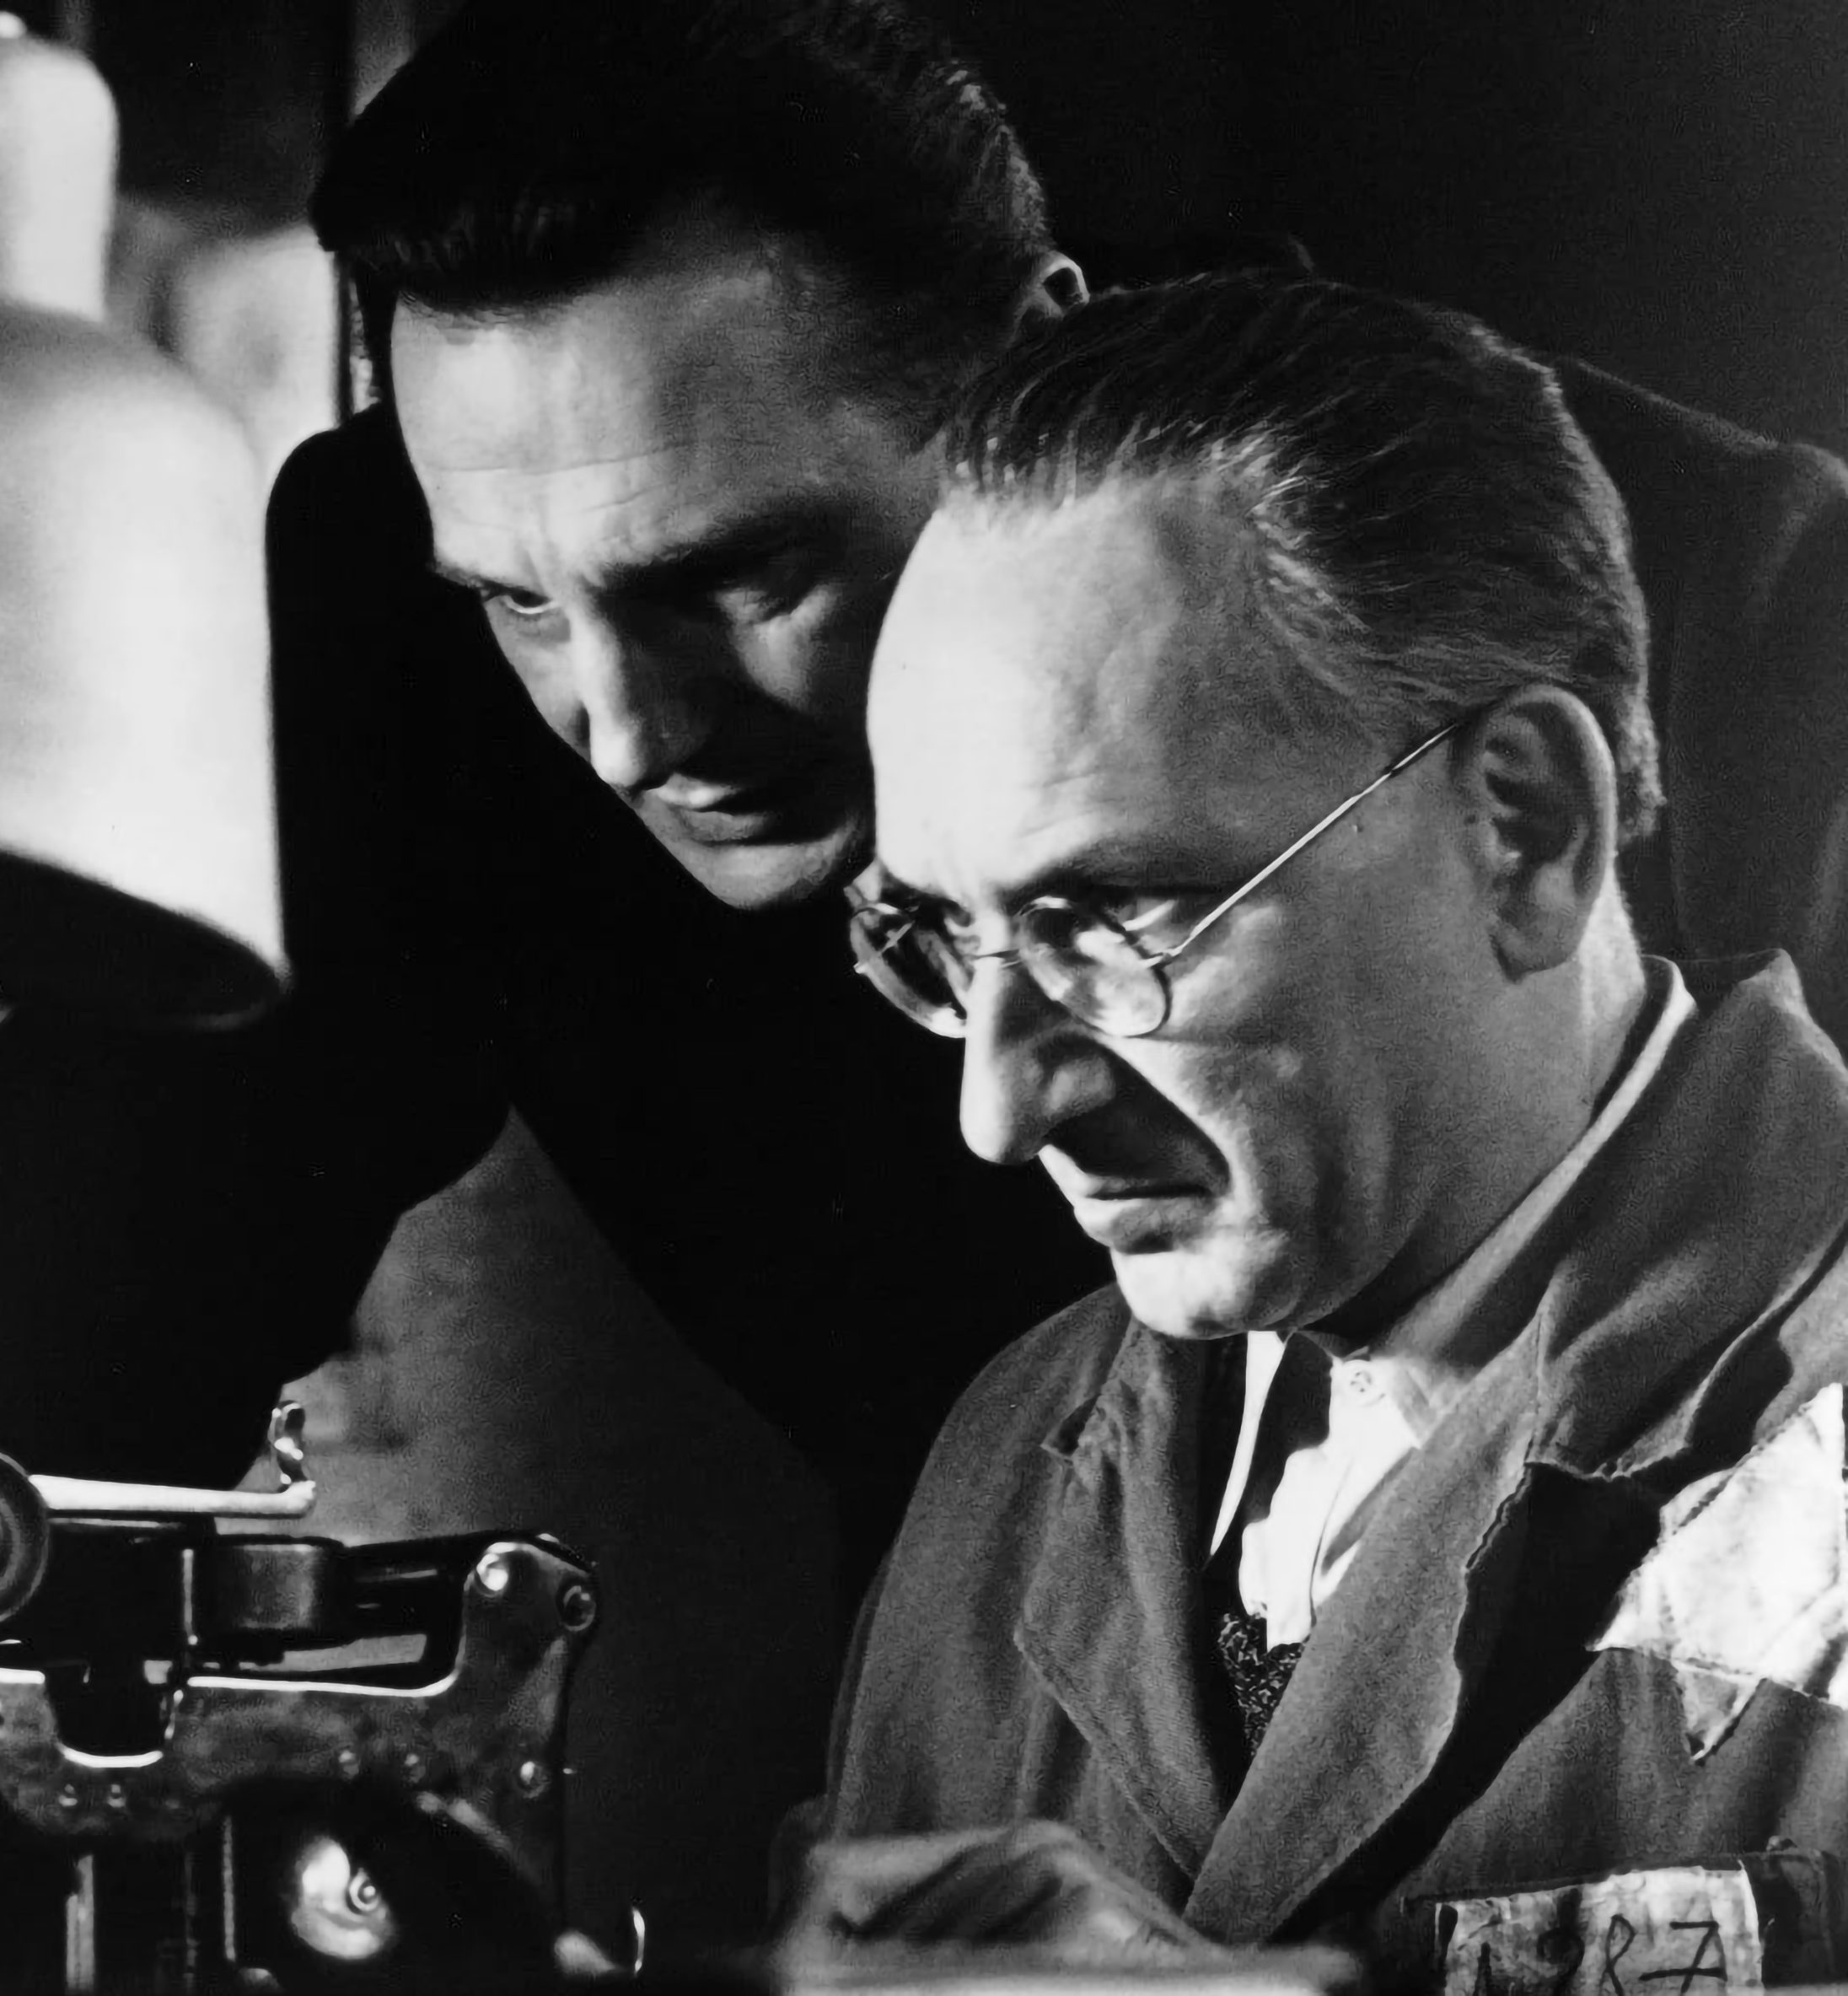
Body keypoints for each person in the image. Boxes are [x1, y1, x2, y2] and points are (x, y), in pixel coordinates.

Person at [0, 0, 1848, 1607]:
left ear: (1037, 361)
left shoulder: (1736, 613)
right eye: (520, 603)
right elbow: (66, 1276)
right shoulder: (421, 622)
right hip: (974, 1712)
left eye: (745, 573)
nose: (625, 733)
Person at [779, 274, 1848, 1986]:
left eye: (1110, 918)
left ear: (1522, 828)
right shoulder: (1010, 1456)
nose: (998, 1107)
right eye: (937, 938)